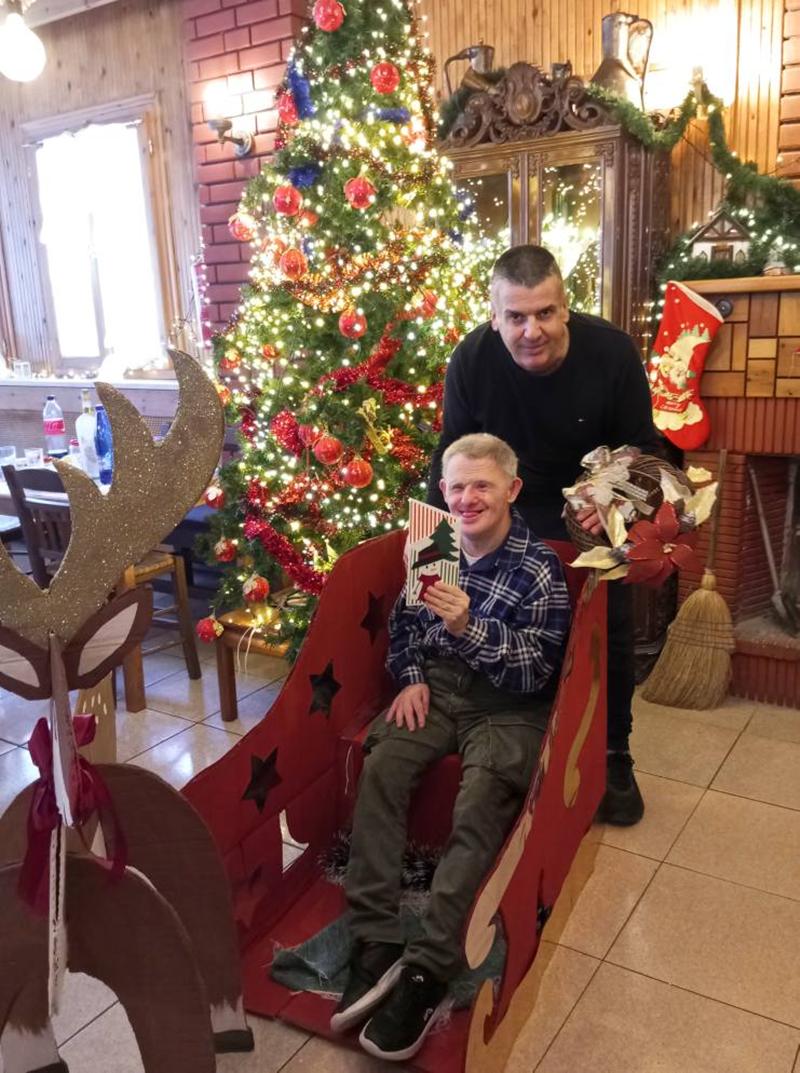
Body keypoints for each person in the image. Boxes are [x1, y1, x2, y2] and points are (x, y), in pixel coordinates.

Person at [332, 433, 571, 1062]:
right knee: (386, 762)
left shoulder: (538, 568)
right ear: (442, 490)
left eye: (482, 486)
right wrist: (411, 677)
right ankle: (376, 937)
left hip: (506, 703)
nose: (468, 499)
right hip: (437, 686)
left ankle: (429, 966)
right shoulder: (431, 549)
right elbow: (405, 628)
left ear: (512, 490)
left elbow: (536, 674)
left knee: (484, 794)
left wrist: (469, 626)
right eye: (457, 486)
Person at [427, 244, 663, 828]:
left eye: (545, 314)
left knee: (606, 629)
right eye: (516, 317)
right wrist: (437, 548)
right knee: (502, 621)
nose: (532, 331)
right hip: (506, 505)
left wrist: (612, 500)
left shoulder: (612, 351)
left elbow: (644, 448)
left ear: (565, 308)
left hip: (590, 508)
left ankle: (613, 753)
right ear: (494, 316)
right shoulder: (471, 359)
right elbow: (453, 456)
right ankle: (514, 735)